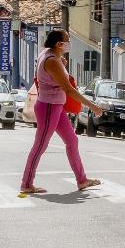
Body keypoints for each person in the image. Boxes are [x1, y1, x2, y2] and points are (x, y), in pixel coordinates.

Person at [20, 30, 104, 195]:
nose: (69, 43)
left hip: (56, 106)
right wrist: (92, 106)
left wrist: (61, 64)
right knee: (40, 146)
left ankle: (82, 180)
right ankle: (26, 183)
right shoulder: (51, 60)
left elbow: (53, 77)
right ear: (59, 44)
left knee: (72, 141)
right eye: (67, 40)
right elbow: (68, 89)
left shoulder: (51, 55)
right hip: (49, 107)